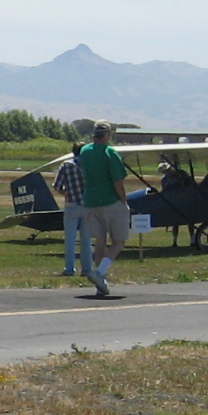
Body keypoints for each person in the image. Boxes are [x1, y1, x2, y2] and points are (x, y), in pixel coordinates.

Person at [77, 122, 132, 298]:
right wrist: (123, 200)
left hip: (90, 202)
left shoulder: (85, 151)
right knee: (119, 242)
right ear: (108, 135)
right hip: (110, 202)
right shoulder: (110, 153)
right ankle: (100, 273)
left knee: (100, 242)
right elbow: (118, 181)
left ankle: (101, 284)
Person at [52, 149, 88, 277]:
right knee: (86, 240)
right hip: (88, 206)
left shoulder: (66, 165)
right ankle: (87, 269)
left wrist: (65, 193)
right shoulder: (90, 165)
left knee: (70, 239)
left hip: (71, 204)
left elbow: (57, 186)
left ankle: (69, 269)